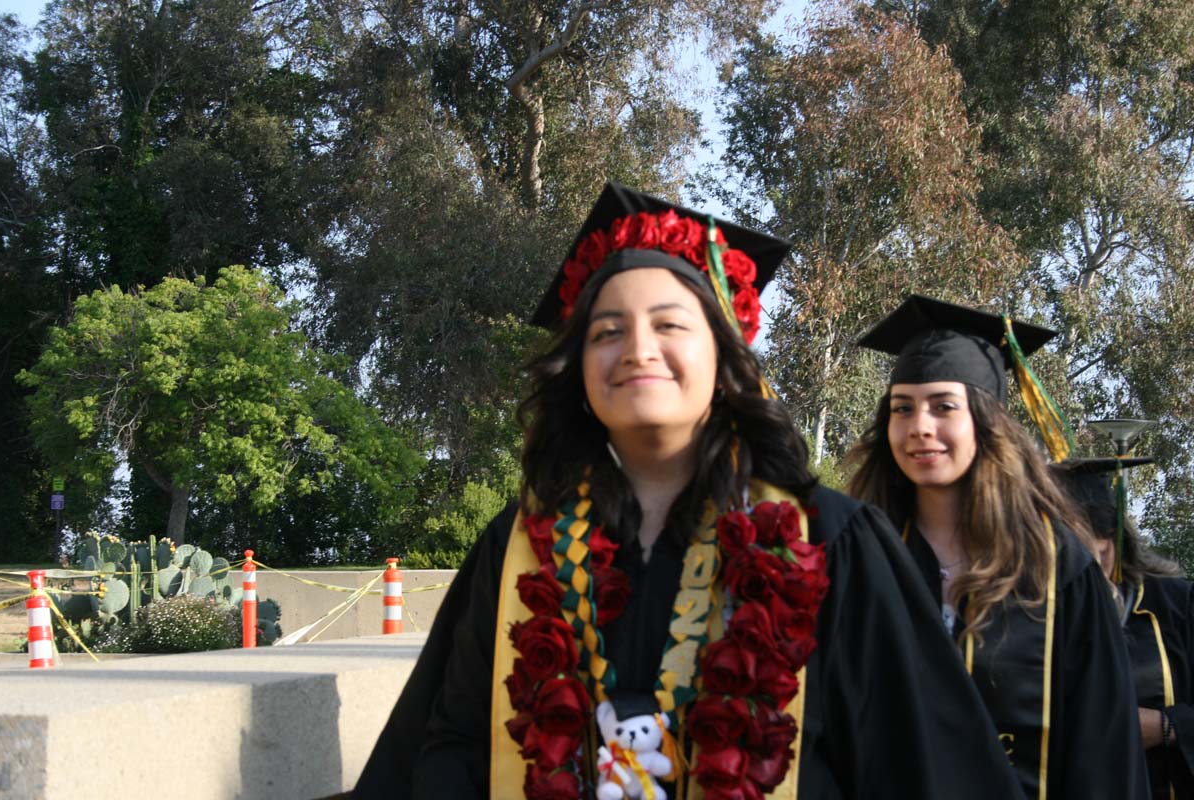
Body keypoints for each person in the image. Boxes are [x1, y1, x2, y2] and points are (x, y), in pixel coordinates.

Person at [354, 187, 1024, 799]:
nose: (637, 348)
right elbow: (453, 749)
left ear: (725, 357)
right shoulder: (521, 546)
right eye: (606, 331)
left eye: (670, 325)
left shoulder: (829, 540)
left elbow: (917, 767)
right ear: (578, 367)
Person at [847, 293, 1149, 800]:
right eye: (903, 409)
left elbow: (1104, 750)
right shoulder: (860, 554)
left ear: (987, 424)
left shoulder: (1057, 569)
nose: (920, 425)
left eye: (944, 407)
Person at [1053, 456, 1194, 798]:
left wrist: (1167, 726)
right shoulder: (1026, 616)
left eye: (1098, 555)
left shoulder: (1178, 606)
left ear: (1111, 544)